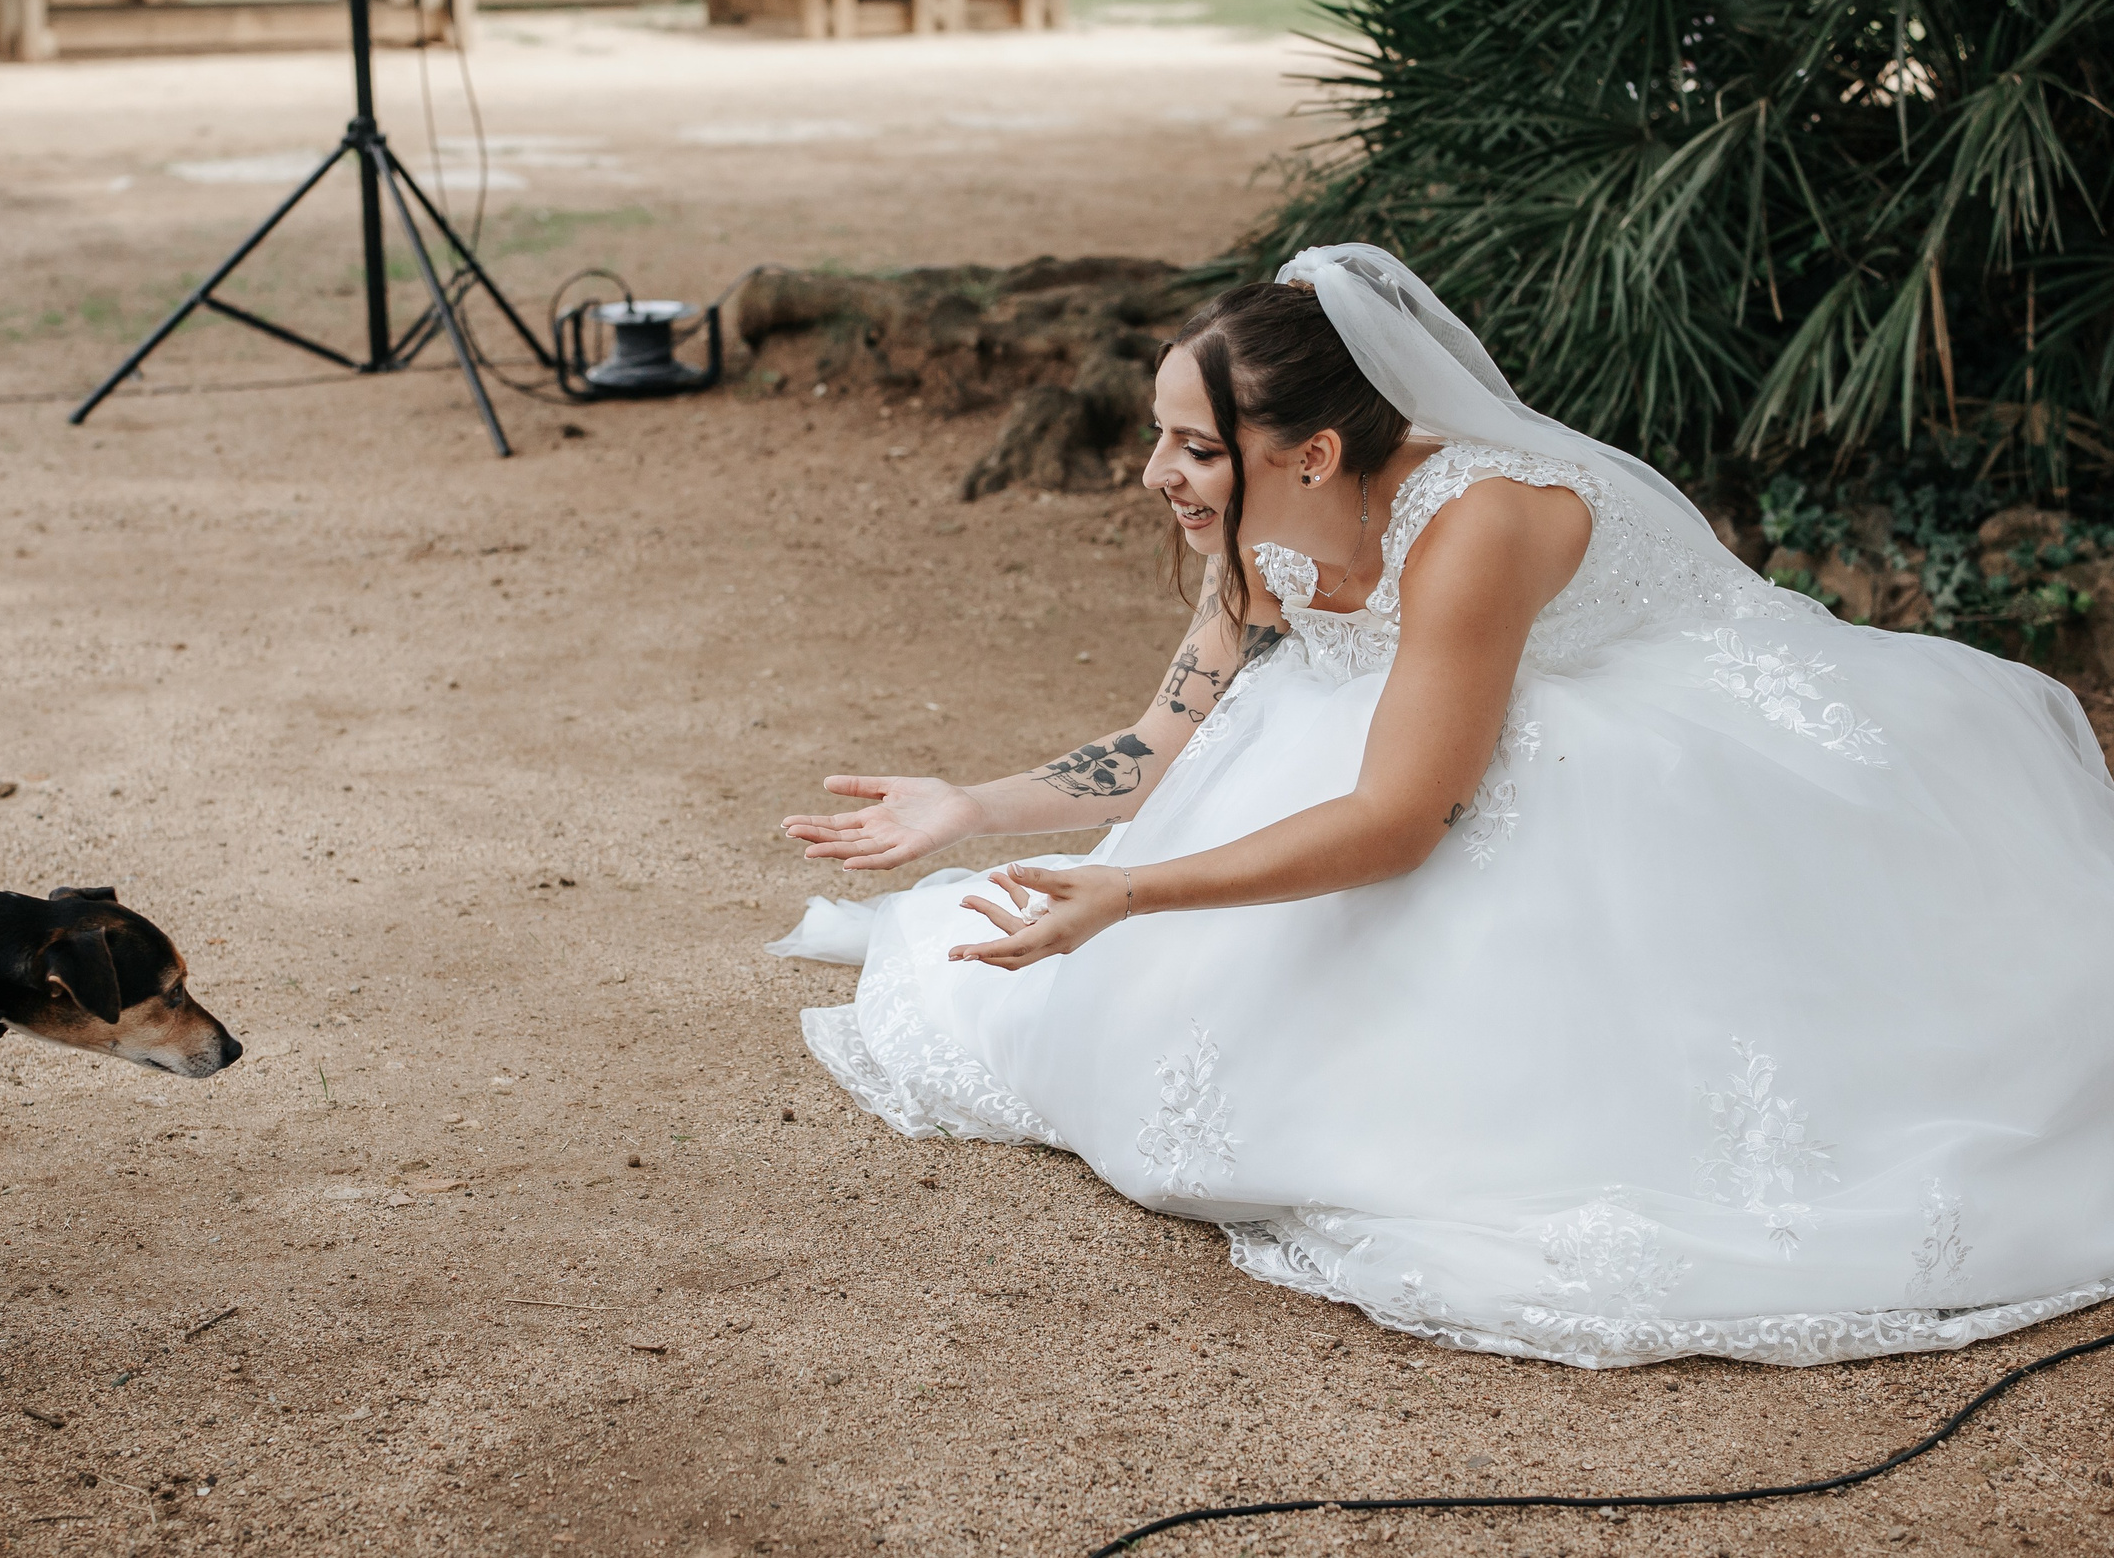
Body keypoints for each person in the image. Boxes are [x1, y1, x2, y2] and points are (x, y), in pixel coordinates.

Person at [775, 244, 2114, 1369]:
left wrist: (1130, 891)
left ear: (1308, 452)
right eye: (1155, 438)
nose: (1154, 476)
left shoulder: (1477, 520)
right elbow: (1153, 747)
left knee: (1519, 833)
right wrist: (971, 809)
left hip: (1647, 749)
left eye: (1192, 447)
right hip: (1414, 734)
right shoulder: (1253, 533)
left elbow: (1401, 818)